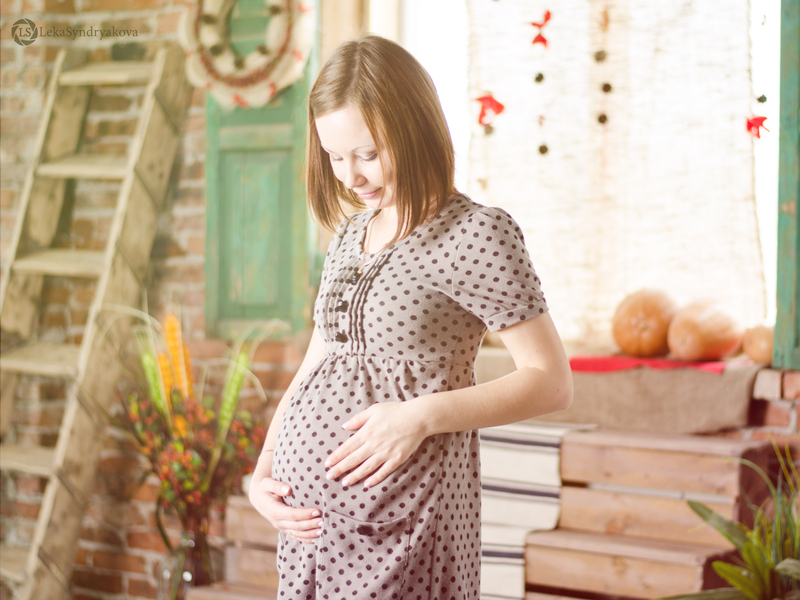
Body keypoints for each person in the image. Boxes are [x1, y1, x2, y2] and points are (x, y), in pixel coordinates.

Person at [248, 35, 573, 600]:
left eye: (367, 154)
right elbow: (316, 365)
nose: (350, 176)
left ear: (416, 129)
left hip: (404, 524)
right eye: (334, 156)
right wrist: (267, 467)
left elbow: (551, 381)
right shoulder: (350, 234)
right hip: (310, 534)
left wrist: (418, 417)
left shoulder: (475, 233)